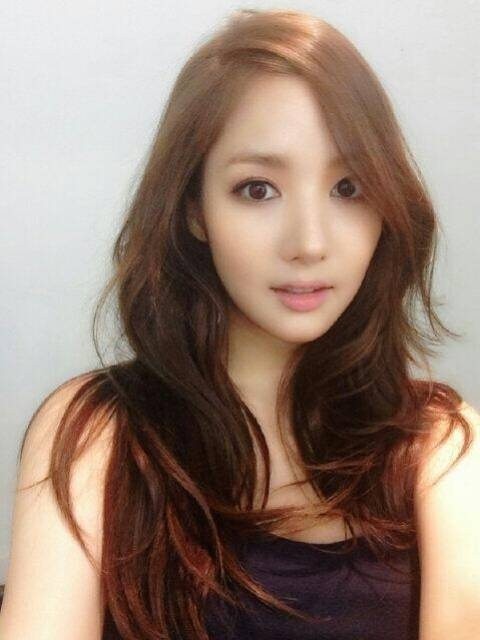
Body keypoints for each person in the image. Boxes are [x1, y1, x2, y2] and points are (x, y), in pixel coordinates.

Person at [1, 8, 479, 640]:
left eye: (349, 187)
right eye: (258, 189)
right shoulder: (95, 435)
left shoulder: (437, 443)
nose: (309, 243)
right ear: (194, 210)